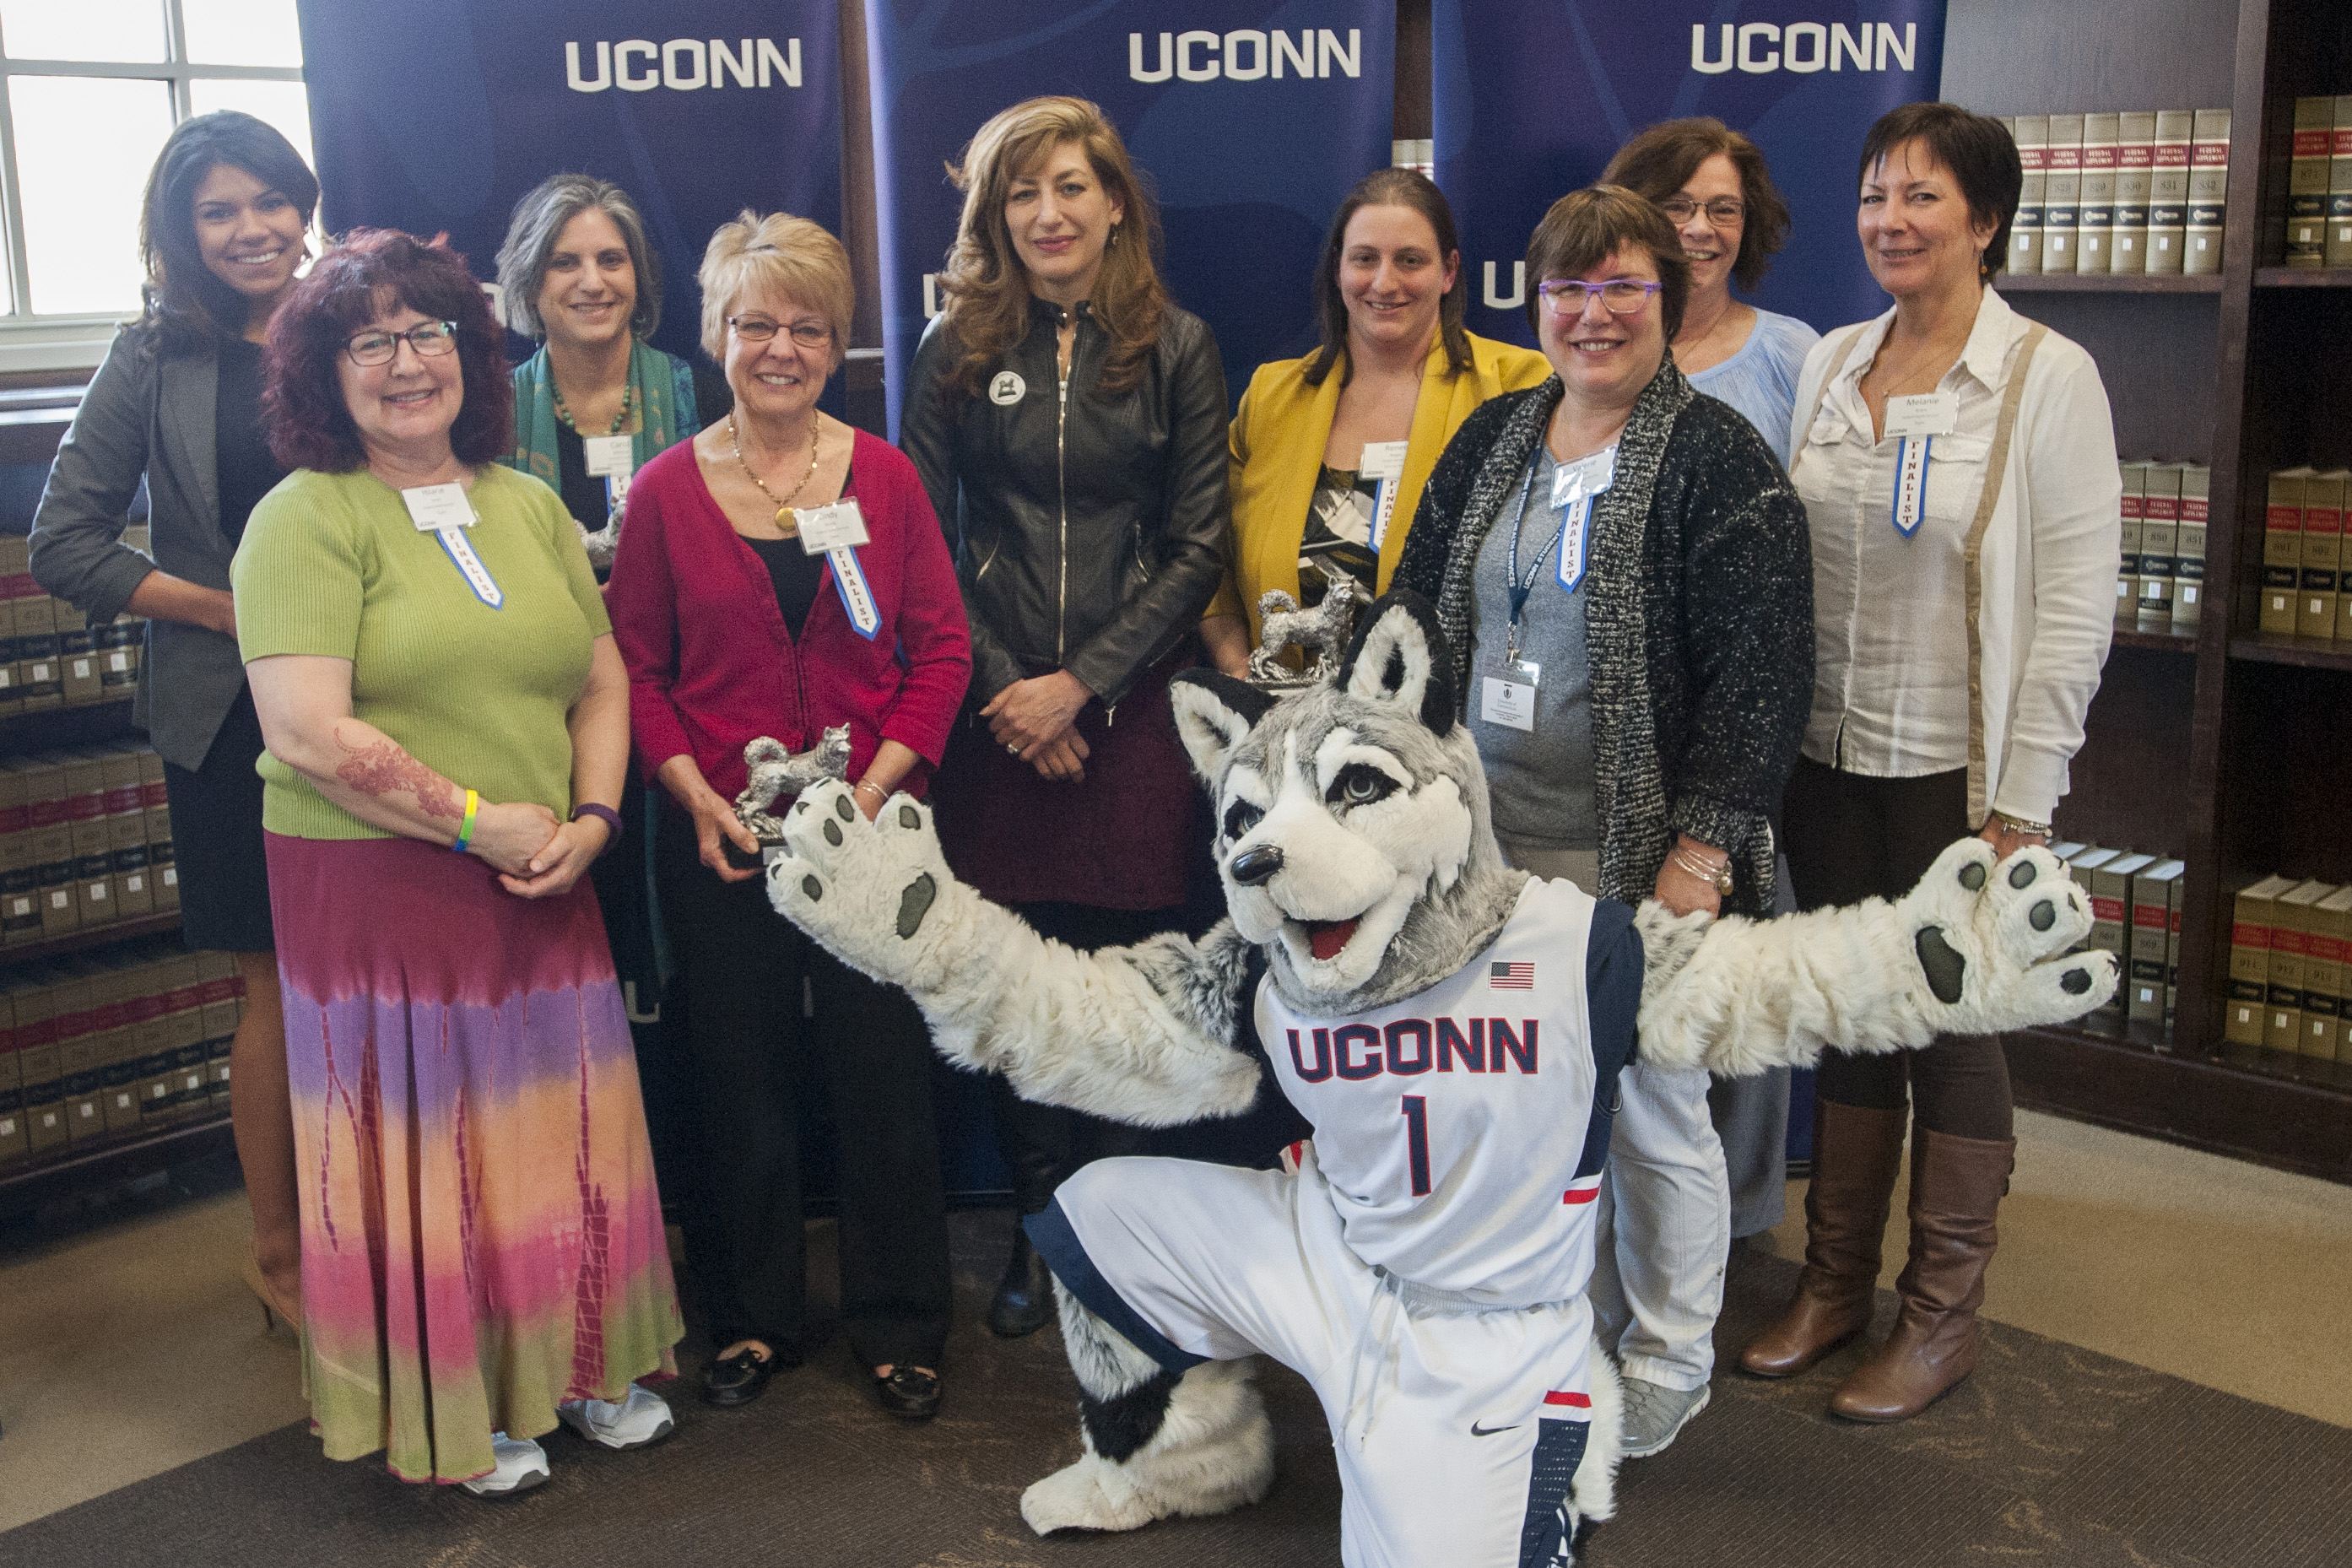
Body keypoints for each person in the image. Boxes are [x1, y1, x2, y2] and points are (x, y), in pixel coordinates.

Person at [235, 230, 681, 1495]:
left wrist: (592, 817)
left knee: (556, 1134)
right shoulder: (304, 519)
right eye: (366, 339)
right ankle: (460, 1404)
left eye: (426, 331)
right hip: (382, 885)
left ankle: (580, 1367)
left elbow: (600, 674)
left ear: (470, 353)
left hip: (549, 866)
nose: (403, 361)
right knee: (432, 1154)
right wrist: (481, 821)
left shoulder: (524, 500)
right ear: (322, 372)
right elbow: (307, 730)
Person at [1392, 185, 1813, 1460]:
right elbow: (1413, 606)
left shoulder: (1714, 456)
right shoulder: (1494, 436)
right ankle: (1547, 1322)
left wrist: (1702, 850)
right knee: (1515, 1110)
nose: (1591, 314)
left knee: (1650, 1113)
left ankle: (1668, 1351)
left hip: (1637, 857)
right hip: (1488, 851)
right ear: (1535, 304)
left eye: (1621, 286)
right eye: (1567, 289)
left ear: (1666, 300)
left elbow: (1764, 668)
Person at [1742, 103, 2120, 1424]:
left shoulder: (2044, 376)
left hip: (1956, 773)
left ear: (1986, 220)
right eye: (1872, 197)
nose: (1889, 221)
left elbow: (2075, 600)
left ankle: (1939, 1316)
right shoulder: (1835, 358)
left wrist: (2026, 797)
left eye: (1921, 198)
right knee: (1854, 1008)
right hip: (1823, 749)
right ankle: (1834, 1281)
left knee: (1956, 1025)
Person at [608, 211, 970, 1421]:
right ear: (716, 333)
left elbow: (941, 653)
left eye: (806, 326)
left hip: (872, 842)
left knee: (883, 1077)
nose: (779, 347)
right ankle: (755, 1316)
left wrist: (870, 797)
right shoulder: (664, 493)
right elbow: (638, 672)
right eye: (755, 322)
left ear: (837, 343)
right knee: (738, 1077)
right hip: (720, 834)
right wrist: (692, 794)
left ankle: (899, 1319)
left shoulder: (885, 478)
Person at [898, 96, 1230, 1341]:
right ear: (995, 216)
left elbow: (1197, 544)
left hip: (1128, 711)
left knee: (1129, 977)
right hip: (989, 717)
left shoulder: (1177, 345)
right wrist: (1007, 693)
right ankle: (1044, 1231)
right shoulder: (948, 344)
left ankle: (1126, 1231)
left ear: (1112, 204)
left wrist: (1080, 682)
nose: (1048, 213)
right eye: (1022, 193)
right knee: (1021, 974)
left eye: (1071, 187)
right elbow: (922, 532)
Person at [30, 111, 316, 1327]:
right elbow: (65, 541)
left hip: (388, 697)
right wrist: (227, 609)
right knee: (274, 985)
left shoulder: (358, 319)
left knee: (380, 978)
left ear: (305, 206)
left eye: (270, 201)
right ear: (180, 232)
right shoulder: (153, 356)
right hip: (231, 718)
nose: (251, 228)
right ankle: (282, 1254)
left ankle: (392, 1223)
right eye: (218, 210)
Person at [1602, 117, 1820, 1241]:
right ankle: (1626, 1215)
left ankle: (1734, 1218)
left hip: (1738, 717)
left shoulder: (1794, 356)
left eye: (1721, 207)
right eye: (1678, 205)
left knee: (1738, 968)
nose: (1698, 227)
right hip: (1602, 722)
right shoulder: (1592, 340)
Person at [1198, 169, 1549, 676]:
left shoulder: (1517, 386)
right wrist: (1245, 676)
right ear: (1338, 271)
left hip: (1451, 731)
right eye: (1365, 259)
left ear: (1449, 272)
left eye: (1410, 260)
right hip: (1286, 733)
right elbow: (1208, 557)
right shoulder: (1272, 397)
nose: (1384, 283)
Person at [493, 173, 726, 569]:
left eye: (611, 260)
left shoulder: (706, 401)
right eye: (564, 263)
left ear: (637, 275)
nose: (593, 282)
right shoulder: (492, 414)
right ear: (530, 285)